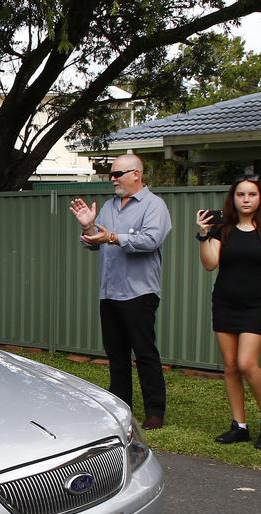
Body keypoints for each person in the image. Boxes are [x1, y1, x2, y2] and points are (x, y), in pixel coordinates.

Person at [68, 153, 171, 428]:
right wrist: (88, 225)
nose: (112, 179)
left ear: (136, 174)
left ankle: (155, 412)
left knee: (145, 352)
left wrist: (113, 237)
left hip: (139, 292)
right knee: (116, 354)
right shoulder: (110, 206)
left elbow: (151, 240)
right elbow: (94, 242)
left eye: (117, 174)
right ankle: (121, 407)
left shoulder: (154, 205)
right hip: (109, 292)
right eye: (111, 175)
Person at [196, 176, 261, 450]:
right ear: (233, 198)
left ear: (260, 198)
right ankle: (240, 426)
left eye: (251, 194)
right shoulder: (221, 228)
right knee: (230, 366)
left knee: (247, 363)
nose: (246, 199)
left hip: (258, 303)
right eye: (241, 194)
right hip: (225, 302)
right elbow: (210, 264)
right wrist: (203, 234)